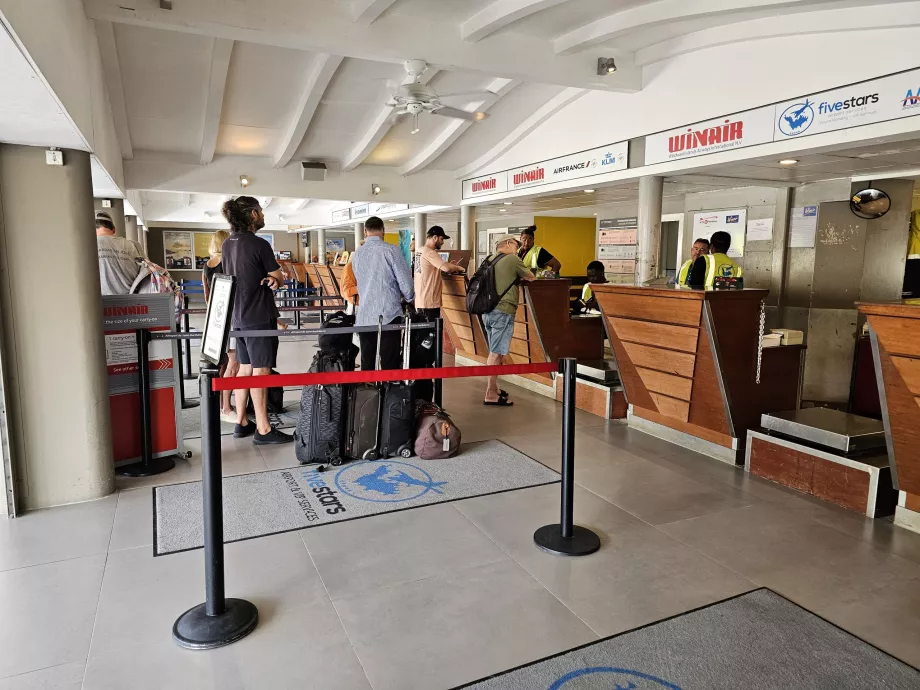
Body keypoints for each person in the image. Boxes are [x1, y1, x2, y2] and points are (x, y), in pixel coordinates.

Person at [220, 196, 292, 445]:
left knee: (245, 369)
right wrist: (276, 280)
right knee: (261, 370)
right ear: (252, 214)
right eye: (260, 211)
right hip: (259, 316)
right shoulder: (259, 244)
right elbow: (277, 276)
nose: (263, 215)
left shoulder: (228, 244)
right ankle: (263, 428)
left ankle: (241, 421)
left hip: (237, 317)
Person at [352, 215, 415, 371]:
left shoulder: (357, 255)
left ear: (365, 232)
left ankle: (369, 393)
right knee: (389, 363)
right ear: (383, 231)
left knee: (368, 363)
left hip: (365, 316)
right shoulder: (391, 251)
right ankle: (388, 394)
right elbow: (406, 284)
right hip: (388, 316)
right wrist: (409, 297)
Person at [482, 234, 535, 406]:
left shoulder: (489, 259)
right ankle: (490, 393)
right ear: (507, 243)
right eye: (515, 244)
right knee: (495, 353)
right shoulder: (512, 259)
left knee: (493, 350)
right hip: (503, 311)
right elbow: (530, 277)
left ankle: (494, 387)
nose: (517, 248)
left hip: (486, 311)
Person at [202, 230, 238, 422]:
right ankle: (226, 406)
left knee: (222, 363)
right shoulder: (229, 262)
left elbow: (206, 297)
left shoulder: (206, 266)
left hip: (216, 318)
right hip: (232, 316)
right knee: (234, 362)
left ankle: (220, 405)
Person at [414, 226, 466, 321]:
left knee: (423, 333)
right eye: (441, 239)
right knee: (432, 333)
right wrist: (459, 268)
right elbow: (446, 268)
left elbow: (430, 269)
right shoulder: (430, 253)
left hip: (420, 301)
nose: (442, 242)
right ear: (435, 237)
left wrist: (450, 265)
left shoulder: (420, 251)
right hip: (430, 302)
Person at [96, 211, 147, 295]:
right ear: (114, 229)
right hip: (131, 303)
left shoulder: (88, 247)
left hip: (99, 304)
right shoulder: (134, 245)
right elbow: (146, 274)